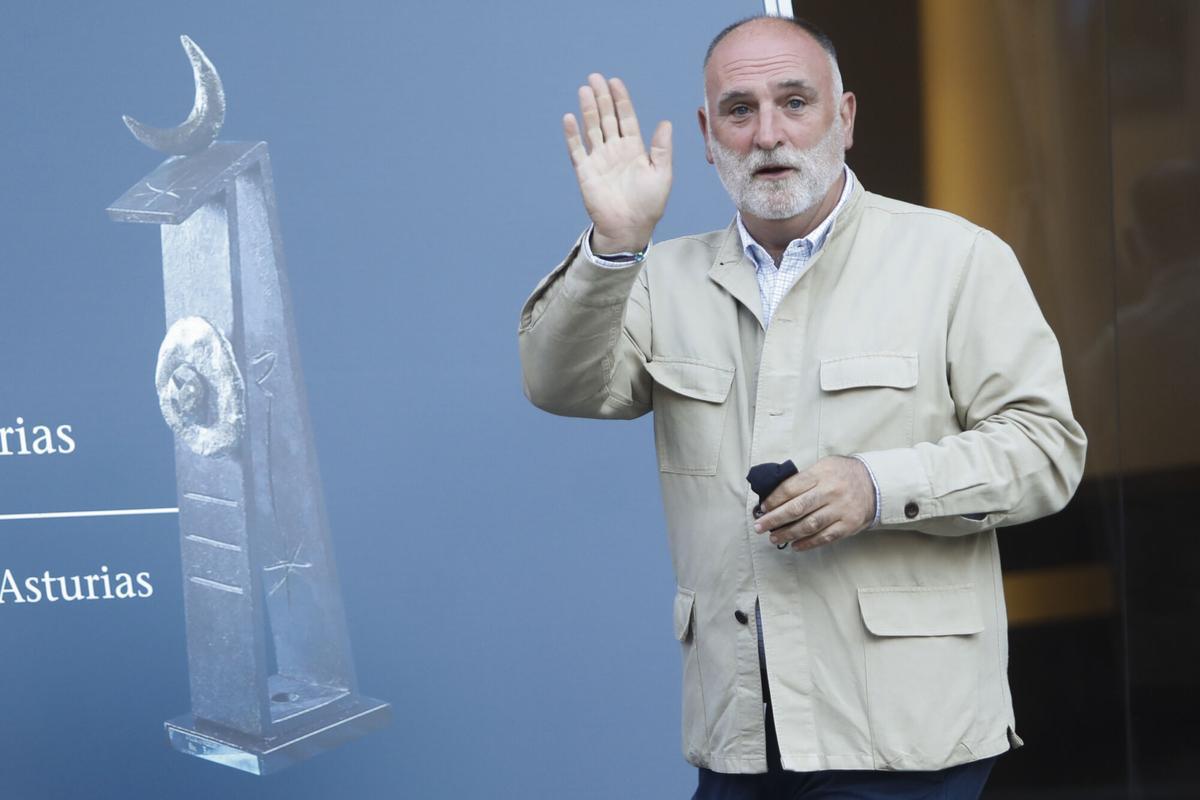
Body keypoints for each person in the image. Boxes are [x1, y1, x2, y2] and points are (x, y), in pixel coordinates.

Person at [518, 15, 1086, 800]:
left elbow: (1045, 451)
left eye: (795, 102)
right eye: (740, 110)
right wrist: (615, 243)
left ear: (844, 117)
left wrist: (875, 486)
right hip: (741, 728)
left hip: (904, 735)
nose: (768, 134)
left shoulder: (957, 259)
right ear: (707, 134)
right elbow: (560, 384)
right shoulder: (659, 277)